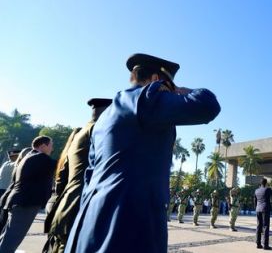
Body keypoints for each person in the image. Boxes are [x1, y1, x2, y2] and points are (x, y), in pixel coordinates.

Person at [65, 53, 220, 253]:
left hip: (90, 221)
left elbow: (89, 175)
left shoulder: (105, 117)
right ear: (156, 80)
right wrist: (180, 91)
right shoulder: (144, 99)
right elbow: (208, 105)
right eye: (169, 86)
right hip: (128, 224)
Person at [43, 98, 112, 253]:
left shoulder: (78, 134)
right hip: (82, 207)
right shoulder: (99, 131)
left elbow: (62, 176)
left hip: (67, 205)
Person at [0, 136, 55, 252]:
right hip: (26, 204)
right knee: (12, 239)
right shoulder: (40, 158)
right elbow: (59, 165)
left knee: (7, 237)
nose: (52, 148)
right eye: (51, 145)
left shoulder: (29, 157)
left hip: (19, 202)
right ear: (43, 146)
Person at [0, 148, 32, 232]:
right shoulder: (16, 165)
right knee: (6, 216)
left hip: (2, 190)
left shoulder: (5, 164)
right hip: (8, 191)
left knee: (2, 214)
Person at [255, 178, 272, 250]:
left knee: (258, 226)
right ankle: (265, 245)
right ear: (266, 183)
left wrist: (257, 207)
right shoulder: (267, 189)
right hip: (265, 209)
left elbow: (255, 200)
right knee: (266, 226)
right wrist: (270, 188)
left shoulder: (256, 190)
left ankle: (258, 244)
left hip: (258, 209)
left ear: (260, 183)